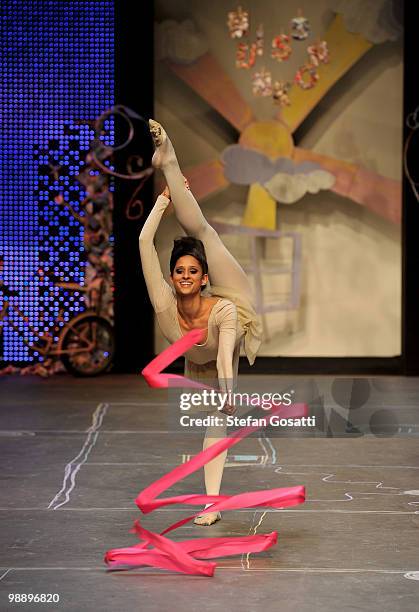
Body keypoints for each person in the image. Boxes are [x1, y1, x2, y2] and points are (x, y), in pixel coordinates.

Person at [139, 120, 262, 525]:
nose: (186, 275)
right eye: (179, 271)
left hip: (233, 305)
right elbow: (144, 243)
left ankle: (168, 157)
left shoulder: (224, 309)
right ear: (172, 279)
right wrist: (162, 203)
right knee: (213, 429)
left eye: (193, 271)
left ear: (202, 277)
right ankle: (212, 503)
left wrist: (228, 392)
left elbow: (227, 356)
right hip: (199, 357)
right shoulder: (165, 304)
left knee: (203, 231)